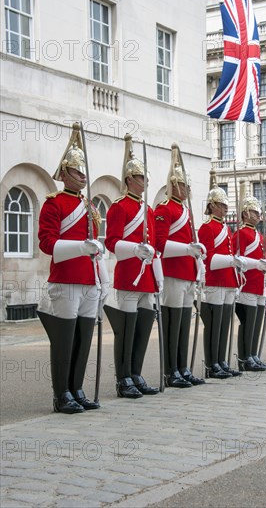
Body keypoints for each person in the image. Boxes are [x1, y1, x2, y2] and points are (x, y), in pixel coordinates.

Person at [37, 123, 108, 414]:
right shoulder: (54, 203)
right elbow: (47, 243)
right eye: (77, 172)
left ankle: (77, 388)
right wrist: (81, 247)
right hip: (66, 279)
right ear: (64, 173)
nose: (83, 177)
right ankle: (61, 393)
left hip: (89, 280)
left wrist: (103, 278)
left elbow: (95, 247)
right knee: (65, 340)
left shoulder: (90, 205)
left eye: (84, 172)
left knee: (84, 337)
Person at [104, 135, 159, 399]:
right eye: (140, 178)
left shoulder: (147, 210)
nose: (145, 182)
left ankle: (135, 372)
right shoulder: (119, 207)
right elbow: (112, 243)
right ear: (129, 180)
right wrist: (135, 249)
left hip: (146, 277)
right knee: (126, 329)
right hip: (128, 275)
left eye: (145, 178)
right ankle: (123, 377)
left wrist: (156, 278)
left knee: (142, 328)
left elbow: (155, 246)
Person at [154, 143, 206, 388]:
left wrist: (197, 262)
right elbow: (161, 244)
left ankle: (182, 367)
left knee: (184, 323)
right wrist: (187, 250)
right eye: (183, 185)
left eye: (188, 186)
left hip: (187, 273)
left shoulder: (186, 211)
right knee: (173, 323)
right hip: (173, 272)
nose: (187, 190)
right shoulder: (164, 209)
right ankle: (170, 370)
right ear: (173, 185)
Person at [197, 171, 243, 379]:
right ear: (213, 205)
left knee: (225, 323)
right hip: (215, 279)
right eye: (222, 205)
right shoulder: (207, 227)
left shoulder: (225, 227)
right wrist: (230, 261)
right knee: (214, 324)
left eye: (226, 205)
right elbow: (209, 257)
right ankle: (212, 363)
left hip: (228, 279)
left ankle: (222, 360)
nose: (225, 208)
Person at [233, 196, 266, 371]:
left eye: (258, 212)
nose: (258, 215)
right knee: (248, 322)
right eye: (255, 212)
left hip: (259, 283)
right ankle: (245, 357)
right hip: (247, 283)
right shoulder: (241, 233)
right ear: (246, 213)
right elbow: (236, 258)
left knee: (256, 323)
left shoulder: (259, 235)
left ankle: (253, 354)